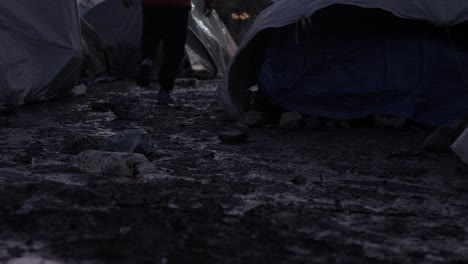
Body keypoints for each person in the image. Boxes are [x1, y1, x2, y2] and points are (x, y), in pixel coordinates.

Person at [123, 0, 213, 104]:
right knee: (174, 48)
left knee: (150, 36)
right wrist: (209, 2)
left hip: (152, 5)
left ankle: (147, 59)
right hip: (178, 6)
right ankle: (164, 90)